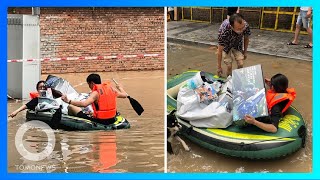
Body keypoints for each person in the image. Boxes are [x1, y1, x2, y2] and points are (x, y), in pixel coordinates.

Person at [61, 73, 128, 125]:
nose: (89, 87)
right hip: (112, 119)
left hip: (100, 121)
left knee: (71, 107)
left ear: (92, 83)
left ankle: (72, 121)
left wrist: (68, 101)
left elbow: (84, 104)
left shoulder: (95, 93)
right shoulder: (111, 89)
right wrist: (120, 88)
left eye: (89, 84)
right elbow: (125, 95)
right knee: (91, 112)